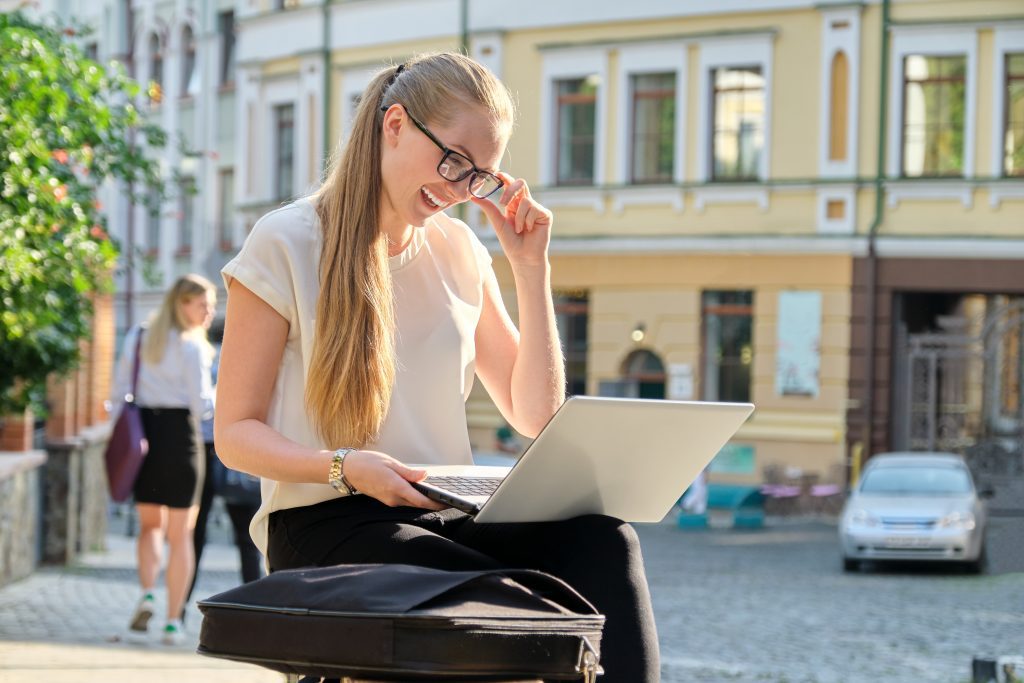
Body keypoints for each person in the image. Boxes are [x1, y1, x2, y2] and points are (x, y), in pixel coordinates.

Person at [214, 53, 659, 682]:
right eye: (452, 160)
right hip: (325, 517)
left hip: (439, 516)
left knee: (605, 542)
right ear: (394, 124)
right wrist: (347, 468)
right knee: (482, 588)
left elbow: (534, 414)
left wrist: (531, 270)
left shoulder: (459, 250)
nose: (457, 188)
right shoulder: (285, 242)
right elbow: (234, 435)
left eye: (479, 176)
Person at [110, 273, 216, 645]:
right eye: (203, 304)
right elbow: (201, 405)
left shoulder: (139, 337)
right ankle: (173, 622)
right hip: (181, 440)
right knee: (181, 534)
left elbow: (120, 390)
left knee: (150, 527)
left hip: (146, 439)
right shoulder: (192, 348)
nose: (208, 312)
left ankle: (147, 593)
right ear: (182, 303)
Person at [184, 326, 263, 621]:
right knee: (247, 538)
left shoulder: (207, 357)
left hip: (204, 452)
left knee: (196, 533)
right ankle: (256, 611)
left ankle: (178, 610)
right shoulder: (240, 361)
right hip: (235, 456)